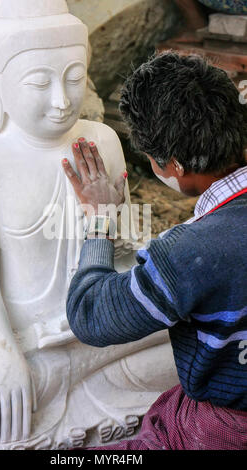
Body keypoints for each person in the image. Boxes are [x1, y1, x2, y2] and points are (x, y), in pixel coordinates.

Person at [62, 51, 247, 450]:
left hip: (227, 429)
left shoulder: (190, 253)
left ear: (174, 166)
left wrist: (99, 219)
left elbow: (89, 314)